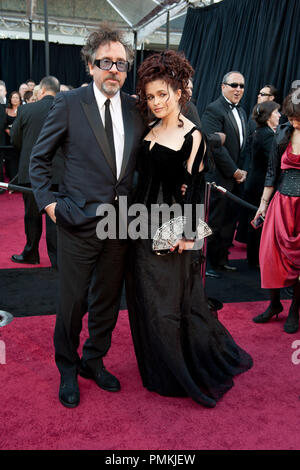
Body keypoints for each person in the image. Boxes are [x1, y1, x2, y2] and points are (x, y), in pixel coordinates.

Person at [125, 51, 253, 408]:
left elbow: (195, 190)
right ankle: (155, 365)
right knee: (144, 299)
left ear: (179, 91)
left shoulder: (193, 135)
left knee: (168, 302)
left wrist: (186, 235)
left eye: (162, 94)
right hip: (139, 225)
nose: (156, 102)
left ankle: (177, 368)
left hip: (171, 228)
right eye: (150, 96)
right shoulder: (149, 129)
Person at [29, 27, 145, 408]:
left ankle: (93, 360)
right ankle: (67, 366)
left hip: (120, 225)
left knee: (108, 299)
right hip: (76, 222)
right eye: (105, 62)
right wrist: (51, 207)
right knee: (73, 301)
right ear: (90, 64)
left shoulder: (133, 107)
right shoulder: (68, 104)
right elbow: (38, 161)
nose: (113, 69)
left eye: (121, 63)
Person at [252, 90, 300, 334]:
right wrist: (263, 205)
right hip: (281, 203)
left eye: (298, 117)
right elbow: (272, 172)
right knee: (269, 257)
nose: (293, 121)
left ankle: (294, 310)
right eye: (291, 116)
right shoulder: (282, 133)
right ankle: (274, 304)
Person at [10, 76, 63, 267]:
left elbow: (15, 140)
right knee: (55, 216)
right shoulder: (66, 109)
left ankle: (31, 254)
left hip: (32, 171)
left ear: (41, 91)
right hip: (58, 173)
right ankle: (57, 260)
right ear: (57, 92)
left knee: (31, 215)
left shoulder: (26, 109)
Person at [201, 71, 248, 278]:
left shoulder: (243, 112)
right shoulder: (214, 109)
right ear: (223, 87)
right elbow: (215, 147)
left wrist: (241, 171)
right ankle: (206, 263)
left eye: (242, 86)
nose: (238, 89)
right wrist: (234, 171)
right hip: (218, 178)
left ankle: (221, 260)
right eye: (234, 85)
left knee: (229, 222)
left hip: (236, 178)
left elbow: (243, 146)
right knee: (213, 221)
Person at [241, 101, 280, 267]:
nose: (279, 115)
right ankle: (256, 259)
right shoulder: (267, 135)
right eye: (276, 112)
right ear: (268, 116)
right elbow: (274, 161)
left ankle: (254, 257)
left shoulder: (260, 131)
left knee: (255, 220)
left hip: (254, 182)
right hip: (260, 185)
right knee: (259, 220)